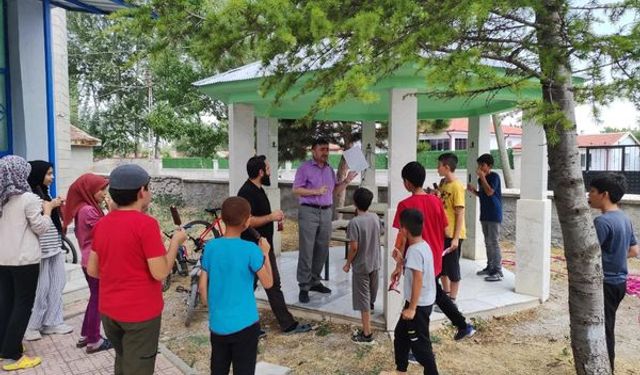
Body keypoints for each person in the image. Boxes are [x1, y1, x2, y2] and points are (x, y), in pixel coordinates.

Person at [87, 164, 187, 375]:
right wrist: (176, 242)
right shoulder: (146, 225)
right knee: (138, 366)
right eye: (149, 188)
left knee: (123, 360)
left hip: (109, 311)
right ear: (142, 191)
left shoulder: (102, 224)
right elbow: (160, 272)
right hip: (140, 314)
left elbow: (93, 270)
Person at [390, 161, 475, 344]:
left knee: (417, 304)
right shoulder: (436, 201)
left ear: (407, 183)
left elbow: (402, 235)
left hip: (415, 261)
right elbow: (445, 230)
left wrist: (398, 261)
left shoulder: (405, 205)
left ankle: (418, 346)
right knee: (435, 295)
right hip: (434, 258)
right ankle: (463, 325)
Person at [199, 196, 274, 375]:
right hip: (245, 323)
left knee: (218, 368)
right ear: (247, 221)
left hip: (218, 324)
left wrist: (210, 307)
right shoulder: (251, 250)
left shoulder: (211, 247)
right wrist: (265, 253)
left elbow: (202, 287)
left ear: (223, 219)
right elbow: (268, 283)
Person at [238, 155, 312, 335]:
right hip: (255, 247)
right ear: (261, 172)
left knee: (266, 285)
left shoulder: (258, 188)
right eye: (268, 169)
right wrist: (271, 217)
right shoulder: (246, 192)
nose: (271, 171)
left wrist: (273, 217)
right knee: (258, 285)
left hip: (264, 246)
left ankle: (284, 324)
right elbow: (246, 221)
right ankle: (252, 326)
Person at [0, 156, 57, 371]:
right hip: (24, 260)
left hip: (3, 259)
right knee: (23, 304)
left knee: (6, 302)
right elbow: (40, 228)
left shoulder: (1, 198)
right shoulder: (28, 198)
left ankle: (4, 347)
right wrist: (49, 209)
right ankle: (12, 355)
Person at [292, 138, 357, 303]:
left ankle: (315, 281)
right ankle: (304, 286)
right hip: (309, 212)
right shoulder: (304, 168)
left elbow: (335, 191)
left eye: (327, 149)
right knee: (307, 249)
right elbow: (296, 189)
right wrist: (315, 191)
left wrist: (347, 180)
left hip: (326, 212)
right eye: (322, 149)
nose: (326, 153)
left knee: (322, 248)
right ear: (313, 150)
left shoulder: (329, 169)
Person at [587, 174, 639, 371]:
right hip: (619, 284)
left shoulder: (602, 222)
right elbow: (634, 250)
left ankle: (606, 367)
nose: (588, 195)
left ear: (604, 194)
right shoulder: (624, 218)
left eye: (592, 191)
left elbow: (590, 257)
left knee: (604, 330)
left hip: (605, 284)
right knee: (608, 325)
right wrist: (615, 256)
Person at [62, 173, 113, 353]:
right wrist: (112, 210)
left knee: (94, 298)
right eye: (101, 190)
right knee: (98, 300)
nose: (104, 193)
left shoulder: (85, 208)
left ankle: (86, 334)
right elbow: (108, 230)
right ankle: (94, 341)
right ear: (89, 190)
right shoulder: (88, 211)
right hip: (93, 261)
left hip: (89, 259)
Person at [23, 160, 74, 341]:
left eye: (52, 173)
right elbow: (36, 224)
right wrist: (50, 206)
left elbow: (51, 220)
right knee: (41, 288)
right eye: (48, 174)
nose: (52, 177)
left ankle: (52, 322)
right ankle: (32, 326)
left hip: (54, 247)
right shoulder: (30, 197)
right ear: (37, 175)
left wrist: (55, 207)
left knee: (57, 283)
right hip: (40, 250)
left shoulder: (43, 194)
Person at [392, 209, 438, 375]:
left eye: (400, 229)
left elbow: (418, 279)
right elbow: (417, 269)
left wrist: (412, 308)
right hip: (420, 301)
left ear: (404, 230)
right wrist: (402, 263)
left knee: (421, 346)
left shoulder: (414, 251)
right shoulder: (423, 246)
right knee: (401, 336)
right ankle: (401, 370)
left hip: (418, 305)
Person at [342, 187, 380, 344]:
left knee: (363, 300)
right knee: (370, 297)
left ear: (355, 203)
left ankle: (367, 334)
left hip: (361, 265)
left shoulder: (354, 223)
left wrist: (348, 263)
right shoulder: (375, 218)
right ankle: (368, 325)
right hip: (375, 262)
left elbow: (354, 247)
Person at [466, 153, 504, 282]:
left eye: (482, 165)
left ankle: (498, 271)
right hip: (485, 214)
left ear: (489, 166)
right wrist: (474, 191)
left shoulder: (494, 177)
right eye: (479, 165)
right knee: (488, 243)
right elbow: (483, 195)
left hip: (494, 214)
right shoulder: (480, 180)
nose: (480, 168)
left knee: (494, 242)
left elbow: (490, 192)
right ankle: (490, 267)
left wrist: (482, 177)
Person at [436, 153, 466, 302]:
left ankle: (452, 300)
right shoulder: (443, 183)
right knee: (442, 267)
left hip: (454, 235)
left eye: (439, 165)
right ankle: (446, 295)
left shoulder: (457, 186)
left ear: (446, 167)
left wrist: (455, 238)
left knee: (453, 268)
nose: (437, 168)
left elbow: (460, 213)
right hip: (443, 233)